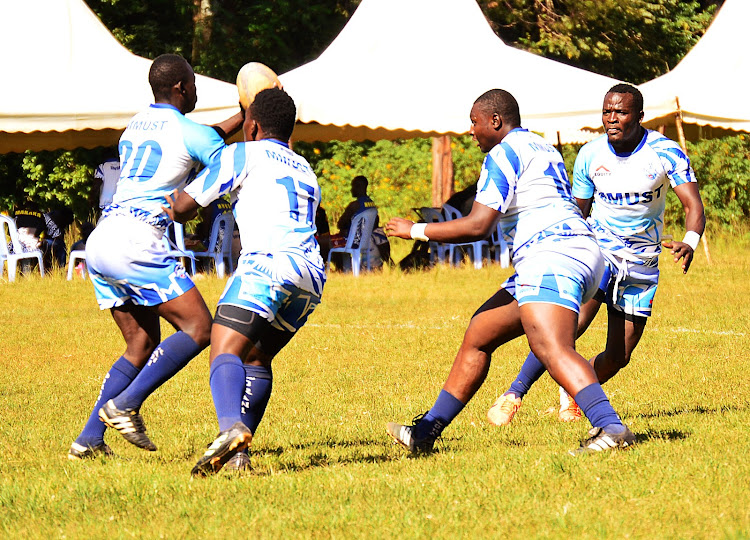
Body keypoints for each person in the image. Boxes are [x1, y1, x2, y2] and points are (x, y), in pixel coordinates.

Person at [385, 89, 634, 455]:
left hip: (551, 254)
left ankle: (611, 426)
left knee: (551, 347)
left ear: (496, 121)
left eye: (475, 122)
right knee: (480, 332)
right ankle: (425, 431)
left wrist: (416, 230)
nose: (471, 131)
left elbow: (478, 225)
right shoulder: (542, 147)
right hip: (580, 249)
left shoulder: (503, 153)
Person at [487, 83, 706, 425]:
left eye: (620, 112)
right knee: (569, 328)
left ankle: (576, 389)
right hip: (600, 253)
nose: (611, 118)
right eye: (607, 111)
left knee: (619, 356)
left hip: (642, 264)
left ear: (640, 116)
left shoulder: (666, 152)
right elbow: (576, 211)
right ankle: (513, 394)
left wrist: (690, 242)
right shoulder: (590, 154)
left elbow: (693, 205)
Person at [67, 53, 244, 460]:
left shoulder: (134, 127)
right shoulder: (189, 131)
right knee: (200, 328)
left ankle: (89, 438)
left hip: (103, 238)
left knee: (142, 341)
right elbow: (217, 153)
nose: (196, 90)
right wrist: (254, 119)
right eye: (194, 84)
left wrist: (239, 115)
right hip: (137, 240)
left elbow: (202, 134)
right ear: (181, 87)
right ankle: (126, 405)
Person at [165, 88, 326, 476]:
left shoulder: (243, 153)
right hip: (310, 276)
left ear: (251, 126)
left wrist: (168, 195)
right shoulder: (305, 167)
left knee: (224, 352)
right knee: (257, 357)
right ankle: (238, 456)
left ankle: (230, 430)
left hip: (267, 265)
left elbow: (183, 208)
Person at [93, 152, 120, 217]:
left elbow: (97, 183)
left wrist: (92, 198)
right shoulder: (124, 166)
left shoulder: (102, 167)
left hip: (106, 205)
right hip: (121, 203)